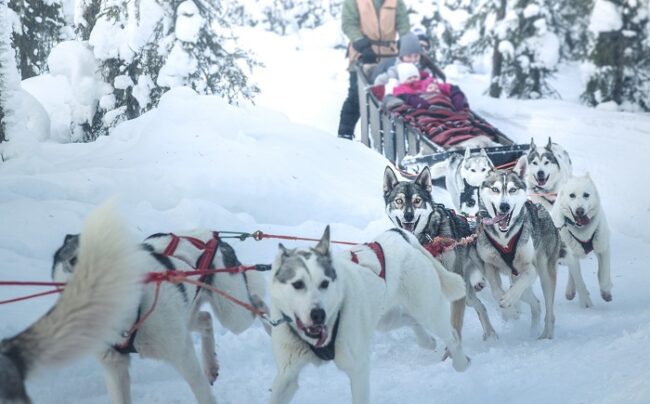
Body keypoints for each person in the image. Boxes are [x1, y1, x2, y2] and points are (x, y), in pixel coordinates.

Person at [337, 0, 410, 140]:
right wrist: (361, 43)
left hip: (388, 57)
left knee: (389, 97)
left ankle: (386, 137)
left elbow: (403, 24)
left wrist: (405, 41)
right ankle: (344, 134)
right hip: (362, 55)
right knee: (356, 96)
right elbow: (348, 23)